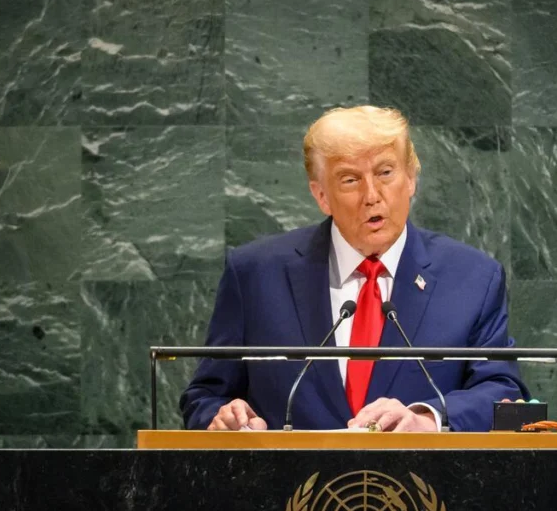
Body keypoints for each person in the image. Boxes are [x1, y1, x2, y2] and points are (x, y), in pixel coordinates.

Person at [179, 105, 527, 432]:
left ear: (411, 179)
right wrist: (222, 419)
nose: (372, 195)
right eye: (349, 180)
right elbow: (205, 397)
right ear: (321, 196)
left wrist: (429, 419)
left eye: (385, 173)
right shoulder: (255, 275)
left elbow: (502, 391)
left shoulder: (473, 278)